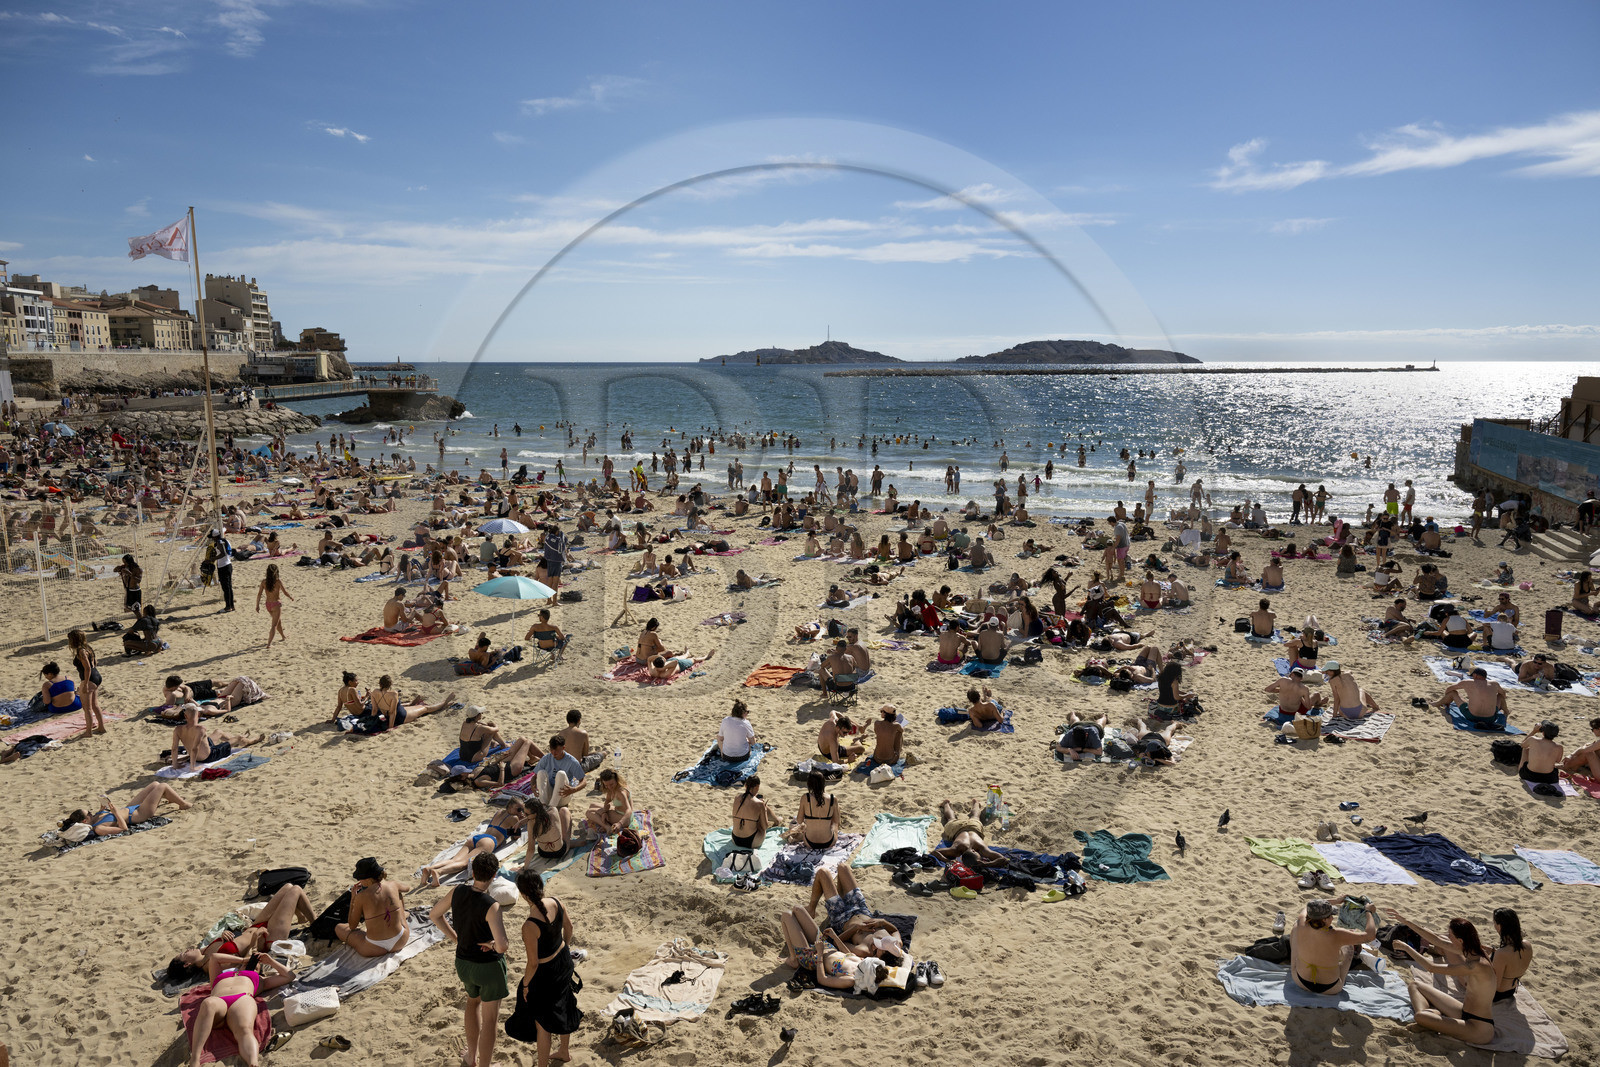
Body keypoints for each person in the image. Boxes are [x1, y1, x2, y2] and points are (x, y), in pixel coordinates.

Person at [429, 852, 510, 1067]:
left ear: (472, 872)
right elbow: (502, 946)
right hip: (488, 967)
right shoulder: (491, 905)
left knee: (472, 1003)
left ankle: (470, 1056)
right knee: (490, 1019)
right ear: (494, 875)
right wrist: (492, 944)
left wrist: (456, 937)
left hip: (463, 962)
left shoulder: (457, 891)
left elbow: (434, 915)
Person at [509, 868, 582, 1067]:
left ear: (523, 895)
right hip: (563, 961)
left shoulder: (529, 925)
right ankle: (564, 1052)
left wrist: (525, 984)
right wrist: (565, 948)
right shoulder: (556, 902)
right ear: (541, 886)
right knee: (565, 1003)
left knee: (543, 1023)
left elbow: (532, 963)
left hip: (546, 972)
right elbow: (569, 928)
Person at [185, 950, 296, 1067]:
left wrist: (270, 961)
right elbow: (214, 957)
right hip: (219, 1001)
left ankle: (253, 1063)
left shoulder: (261, 980)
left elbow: (289, 976)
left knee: (244, 1029)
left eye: (257, 964)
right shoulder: (219, 976)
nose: (255, 963)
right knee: (208, 1003)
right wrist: (243, 960)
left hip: (242, 999)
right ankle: (195, 1060)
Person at [1394, 920, 1498, 1045]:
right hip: (1463, 1012)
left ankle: (1428, 1019)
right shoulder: (1471, 950)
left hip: (1478, 1028)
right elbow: (1438, 941)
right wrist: (1404, 920)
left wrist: (1406, 948)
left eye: (1450, 936)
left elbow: (1431, 967)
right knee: (1415, 985)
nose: (1448, 939)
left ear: (1460, 941)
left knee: (1419, 1017)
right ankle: (1430, 1018)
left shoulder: (1476, 965)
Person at [421, 800, 530, 887]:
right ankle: (439, 872)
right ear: (510, 807)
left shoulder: (499, 812)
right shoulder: (514, 818)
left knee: (454, 860)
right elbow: (516, 837)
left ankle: (430, 869)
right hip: (489, 841)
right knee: (465, 864)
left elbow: (501, 828)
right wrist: (520, 822)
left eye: (522, 810)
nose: (521, 812)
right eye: (519, 809)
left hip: (477, 838)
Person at [806, 866, 906, 958]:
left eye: (879, 948)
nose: (877, 944)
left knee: (823, 873)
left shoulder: (864, 951)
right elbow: (895, 931)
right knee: (843, 867)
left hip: (841, 917)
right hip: (861, 909)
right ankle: (840, 896)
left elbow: (838, 942)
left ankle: (811, 909)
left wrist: (856, 928)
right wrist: (882, 922)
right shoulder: (896, 944)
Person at [1289, 896, 1375, 995]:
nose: (1332, 918)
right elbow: (1370, 936)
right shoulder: (1337, 934)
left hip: (1300, 981)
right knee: (1349, 947)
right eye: (1330, 916)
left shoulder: (1302, 922)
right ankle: (1341, 975)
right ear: (1324, 920)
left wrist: (1335, 901)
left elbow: (1308, 905)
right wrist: (1369, 912)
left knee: (1296, 926)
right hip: (1331, 988)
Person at [335, 857, 413, 957]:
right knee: (399, 895)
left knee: (339, 928)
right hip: (400, 941)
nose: (359, 881)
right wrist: (391, 888)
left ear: (367, 880)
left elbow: (352, 926)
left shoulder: (361, 897)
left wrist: (353, 898)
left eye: (360, 879)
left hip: (374, 948)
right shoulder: (393, 884)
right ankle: (402, 916)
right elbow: (407, 888)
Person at [60, 782, 190, 836]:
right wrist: (116, 813)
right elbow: (123, 829)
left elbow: (103, 814)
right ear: (84, 821)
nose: (90, 812)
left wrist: (103, 807)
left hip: (128, 808)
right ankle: (183, 804)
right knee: (162, 786)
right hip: (138, 815)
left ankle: (170, 797)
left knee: (154, 785)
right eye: (88, 813)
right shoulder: (99, 828)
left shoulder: (94, 818)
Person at [169, 702, 263, 772]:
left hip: (199, 754)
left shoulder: (178, 729)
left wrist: (175, 765)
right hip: (209, 756)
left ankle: (239, 739)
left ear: (185, 716)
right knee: (238, 737)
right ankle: (250, 741)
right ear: (198, 714)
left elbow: (174, 748)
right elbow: (194, 749)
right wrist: (192, 767)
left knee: (218, 732)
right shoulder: (200, 729)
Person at [933, 798, 1006, 866]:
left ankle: (947, 804)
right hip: (961, 828)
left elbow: (1002, 859)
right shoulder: (956, 850)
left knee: (974, 817)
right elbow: (1003, 859)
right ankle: (974, 803)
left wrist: (947, 861)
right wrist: (985, 864)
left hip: (972, 828)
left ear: (974, 851)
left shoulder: (980, 849)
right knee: (952, 818)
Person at [369, 675, 456, 731]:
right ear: (390, 684)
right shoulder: (393, 693)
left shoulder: (374, 692)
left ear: (380, 683)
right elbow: (393, 712)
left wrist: (373, 722)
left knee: (415, 707)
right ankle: (445, 702)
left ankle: (413, 704)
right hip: (401, 716)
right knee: (426, 708)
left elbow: (374, 709)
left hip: (388, 715)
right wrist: (391, 727)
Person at [1432, 667, 1508, 728]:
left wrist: (1447, 701)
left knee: (1453, 693)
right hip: (1491, 718)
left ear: (1475, 675)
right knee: (1500, 696)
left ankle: (1437, 703)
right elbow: (1503, 695)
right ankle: (1506, 711)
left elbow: (1449, 689)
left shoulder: (1468, 682)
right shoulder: (1494, 683)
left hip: (1472, 716)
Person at [64, 630, 105, 737]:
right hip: (96, 676)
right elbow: (95, 663)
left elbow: (87, 668)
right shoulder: (88, 648)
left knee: (87, 708)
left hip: (90, 678)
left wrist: (86, 684)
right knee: (95, 705)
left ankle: (88, 732)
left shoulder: (81, 651)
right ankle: (101, 727)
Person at [534, 735, 586, 811]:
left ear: (563, 748)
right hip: (550, 794)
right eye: (552, 750)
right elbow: (535, 776)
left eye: (556, 750)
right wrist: (533, 787)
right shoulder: (547, 758)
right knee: (541, 772)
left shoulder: (571, 761)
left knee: (561, 774)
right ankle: (543, 804)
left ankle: (551, 808)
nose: (554, 753)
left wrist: (574, 789)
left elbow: (583, 781)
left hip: (563, 795)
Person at [791, 771, 838, 849]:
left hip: (809, 842)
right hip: (829, 842)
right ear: (823, 783)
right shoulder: (833, 799)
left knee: (800, 826)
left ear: (809, 784)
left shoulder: (805, 798)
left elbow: (799, 820)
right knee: (833, 816)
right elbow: (836, 822)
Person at [730, 775, 778, 849]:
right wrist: (764, 809)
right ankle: (776, 820)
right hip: (751, 841)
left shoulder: (737, 797)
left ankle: (777, 819)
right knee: (761, 815)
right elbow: (765, 827)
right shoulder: (759, 804)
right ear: (757, 787)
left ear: (745, 785)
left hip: (735, 839)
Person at [584, 768, 632, 841]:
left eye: (611, 784)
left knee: (589, 812)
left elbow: (629, 810)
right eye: (606, 785)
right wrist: (604, 812)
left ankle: (607, 827)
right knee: (592, 805)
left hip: (624, 818)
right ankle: (606, 822)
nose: (609, 787)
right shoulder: (611, 788)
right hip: (617, 810)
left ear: (616, 780)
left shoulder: (621, 792)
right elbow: (607, 800)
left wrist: (620, 824)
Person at [254, 563, 293, 649]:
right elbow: (285, 592)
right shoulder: (278, 582)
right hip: (276, 604)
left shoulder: (264, 582)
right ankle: (269, 643)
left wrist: (257, 605)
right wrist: (290, 597)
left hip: (268, 605)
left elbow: (259, 594)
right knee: (274, 625)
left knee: (278, 621)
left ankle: (283, 636)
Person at [1519, 721, 1565, 792]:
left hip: (1528, 776)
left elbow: (1522, 745)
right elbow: (1557, 761)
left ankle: (1520, 768)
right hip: (1549, 779)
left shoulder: (1533, 739)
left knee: (1525, 749)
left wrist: (1534, 731)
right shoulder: (1559, 747)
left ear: (1542, 732)